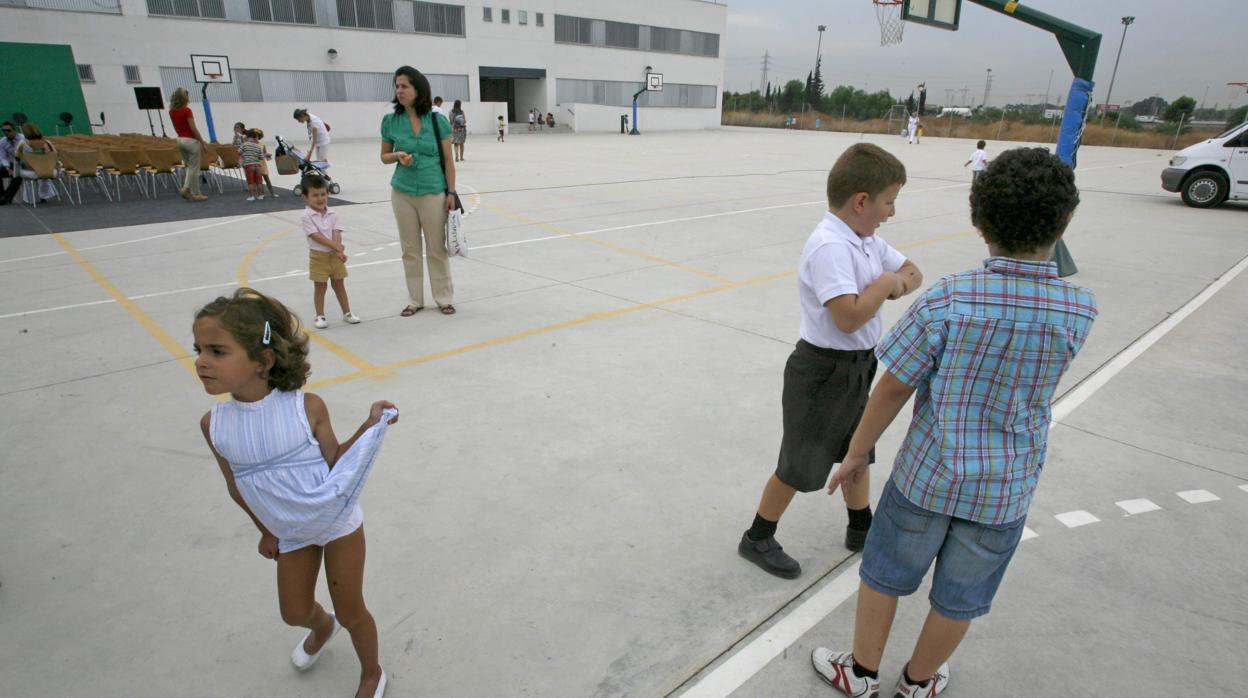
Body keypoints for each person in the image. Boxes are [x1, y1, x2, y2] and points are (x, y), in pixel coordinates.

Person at [811, 148, 1097, 698]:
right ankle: (919, 682)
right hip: (1004, 488)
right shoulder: (1080, 309)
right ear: (1064, 222)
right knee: (961, 595)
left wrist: (856, 453)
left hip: (928, 476)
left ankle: (863, 673)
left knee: (886, 572)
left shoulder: (949, 299)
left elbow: (894, 386)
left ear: (979, 222)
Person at [194, 287, 396, 698]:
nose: (200, 362)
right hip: (291, 531)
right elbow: (237, 487)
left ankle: (372, 673)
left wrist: (371, 424)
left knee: (351, 609)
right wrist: (265, 530)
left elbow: (337, 461)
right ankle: (323, 627)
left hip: (337, 522)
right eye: (197, 349)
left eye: (217, 351)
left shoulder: (307, 408)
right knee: (294, 612)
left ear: (263, 360)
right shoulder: (213, 424)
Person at [739, 143, 923, 580]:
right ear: (861, 201)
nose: (891, 212)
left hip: (860, 366)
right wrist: (885, 284)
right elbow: (848, 317)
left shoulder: (866, 239)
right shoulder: (830, 247)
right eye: (888, 201)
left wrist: (890, 283)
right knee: (801, 464)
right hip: (822, 371)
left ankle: (861, 528)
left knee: (857, 452)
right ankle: (758, 536)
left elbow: (914, 271)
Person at [380, 65, 458, 317]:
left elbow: (448, 160)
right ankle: (415, 299)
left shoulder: (437, 121)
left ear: (418, 89)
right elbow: (383, 156)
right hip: (402, 191)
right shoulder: (391, 121)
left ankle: (443, 297)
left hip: (433, 190)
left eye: (404, 86)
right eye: (397, 86)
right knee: (410, 248)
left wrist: (451, 193)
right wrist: (397, 155)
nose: (399, 90)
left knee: (436, 247)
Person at [301, 173, 361, 329]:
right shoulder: (307, 215)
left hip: (335, 256)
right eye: (315, 195)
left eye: (323, 194)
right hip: (318, 257)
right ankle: (320, 316)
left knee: (339, 285)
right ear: (305, 197)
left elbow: (337, 232)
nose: (320, 198)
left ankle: (347, 313)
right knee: (320, 286)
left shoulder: (333, 214)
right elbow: (315, 236)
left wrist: (338, 251)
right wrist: (335, 246)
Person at [169, 87, 208, 201]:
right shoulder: (187, 110)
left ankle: (189, 190)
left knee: (190, 167)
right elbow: (193, 128)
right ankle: (193, 192)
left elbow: (176, 127)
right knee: (194, 168)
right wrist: (202, 141)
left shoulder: (171, 111)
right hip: (190, 141)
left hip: (180, 140)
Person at [0, 120, 27, 205]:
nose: (6, 133)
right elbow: (3, 157)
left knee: (17, 175)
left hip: (23, 163)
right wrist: (7, 168)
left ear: (14, 130)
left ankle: (6, 198)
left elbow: (23, 154)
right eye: (4, 131)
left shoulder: (22, 139)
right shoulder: (3, 141)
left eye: (8, 130)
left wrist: (15, 168)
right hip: (11, 164)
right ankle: (2, 196)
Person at [239, 129, 266, 201]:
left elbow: (239, 152)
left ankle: (252, 196)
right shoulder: (258, 146)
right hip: (257, 165)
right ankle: (260, 195)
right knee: (259, 181)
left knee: (250, 182)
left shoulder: (244, 144)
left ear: (247, 137)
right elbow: (261, 157)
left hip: (249, 165)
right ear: (255, 137)